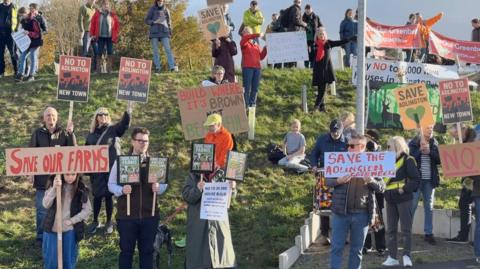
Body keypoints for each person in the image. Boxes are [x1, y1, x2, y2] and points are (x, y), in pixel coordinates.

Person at [108, 127, 168, 269]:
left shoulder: (155, 163)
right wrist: (122, 189)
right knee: (126, 253)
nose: (143, 144)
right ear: (132, 142)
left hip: (150, 216)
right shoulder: (121, 162)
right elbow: (110, 185)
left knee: (147, 253)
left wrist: (160, 188)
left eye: (146, 141)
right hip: (127, 217)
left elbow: (164, 184)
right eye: (140, 140)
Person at [326, 133, 385, 269]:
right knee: (336, 248)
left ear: (362, 146)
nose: (349, 148)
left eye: (352, 146)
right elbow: (327, 181)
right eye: (348, 145)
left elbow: (382, 187)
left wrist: (370, 180)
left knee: (357, 250)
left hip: (362, 214)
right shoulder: (339, 159)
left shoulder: (372, 162)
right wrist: (338, 181)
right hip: (341, 213)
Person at [29, 107, 76, 245]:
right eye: (48, 116)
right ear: (44, 118)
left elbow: (73, 150)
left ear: (57, 117)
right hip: (42, 180)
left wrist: (72, 134)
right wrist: (31, 172)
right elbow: (31, 153)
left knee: (61, 208)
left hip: (60, 180)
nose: (51, 118)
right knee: (41, 209)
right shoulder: (37, 133)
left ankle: (57, 233)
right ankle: (41, 236)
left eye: (53, 115)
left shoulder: (64, 133)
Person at [85, 105, 131, 235]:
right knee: (97, 196)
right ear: (96, 117)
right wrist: (88, 171)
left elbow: (124, 125)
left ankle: (109, 221)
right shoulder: (91, 134)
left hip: (110, 170)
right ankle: (95, 221)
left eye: (105, 114)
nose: (103, 116)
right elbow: (86, 153)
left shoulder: (113, 130)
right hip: (97, 172)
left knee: (109, 196)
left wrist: (128, 113)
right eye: (100, 114)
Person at [381, 136, 420, 267]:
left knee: (406, 229)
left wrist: (403, 190)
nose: (387, 149)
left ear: (397, 146)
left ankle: (406, 256)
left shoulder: (408, 160)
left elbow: (415, 180)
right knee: (391, 229)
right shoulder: (387, 161)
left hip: (403, 198)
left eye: (389, 146)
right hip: (390, 198)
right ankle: (392, 256)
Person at [310, 119, 348, 246]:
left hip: (343, 178)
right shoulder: (322, 140)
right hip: (325, 177)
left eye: (337, 132)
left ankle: (343, 236)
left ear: (342, 131)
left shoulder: (348, 142)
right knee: (324, 205)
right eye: (333, 132)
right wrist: (314, 165)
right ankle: (324, 235)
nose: (335, 134)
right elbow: (314, 154)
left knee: (343, 206)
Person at [42, 173, 92, 269]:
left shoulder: (80, 188)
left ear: (77, 174)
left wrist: (72, 220)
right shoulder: (53, 184)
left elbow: (87, 210)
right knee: (51, 261)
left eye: (73, 174)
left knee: (68, 261)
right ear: (62, 174)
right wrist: (54, 189)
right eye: (67, 174)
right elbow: (45, 204)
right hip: (52, 228)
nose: (70, 177)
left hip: (69, 230)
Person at [409, 124, 441, 245]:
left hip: (429, 181)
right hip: (416, 180)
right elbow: (409, 159)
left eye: (432, 128)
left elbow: (439, 159)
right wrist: (420, 151)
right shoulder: (414, 142)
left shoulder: (434, 142)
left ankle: (428, 233)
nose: (431, 129)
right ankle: (408, 232)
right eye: (428, 127)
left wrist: (430, 152)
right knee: (412, 206)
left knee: (429, 206)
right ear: (422, 129)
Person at [447, 124, 478, 243]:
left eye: (455, 134)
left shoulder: (475, 137)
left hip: (476, 179)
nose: (454, 137)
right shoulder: (464, 139)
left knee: (470, 204)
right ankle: (463, 235)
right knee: (464, 203)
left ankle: (470, 237)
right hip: (469, 179)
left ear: (462, 130)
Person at [311, 27, 351, 112]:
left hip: (326, 70)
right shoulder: (315, 45)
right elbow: (311, 57)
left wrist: (350, 39)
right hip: (318, 70)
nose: (321, 36)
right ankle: (320, 107)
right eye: (319, 34)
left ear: (325, 35)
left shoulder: (328, 43)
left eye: (322, 34)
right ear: (317, 36)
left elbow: (339, 42)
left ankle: (319, 107)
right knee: (320, 90)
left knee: (322, 90)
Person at [362, 130, 387, 256]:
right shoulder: (362, 152)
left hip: (377, 191)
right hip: (364, 192)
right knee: (364, 218)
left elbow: (385, 173)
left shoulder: (383, 154)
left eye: (368, 138)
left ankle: (381, 246)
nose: (366, 141)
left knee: (378, 219)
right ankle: (366, 245)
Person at [145, 0, 177, 73]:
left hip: (164, 32)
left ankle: (172, 67)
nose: (160, 2)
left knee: (168, 49)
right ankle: (157, 67)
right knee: (155, 51)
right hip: (154, 32)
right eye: (158, 1)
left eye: (161, 1)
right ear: (156, 1)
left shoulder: (166, 9)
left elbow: (169, 22)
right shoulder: (152, 9)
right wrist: (153, 22)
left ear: (163, 1)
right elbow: (146, 20)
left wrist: (170, 31)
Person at [90, 0, 120, 74]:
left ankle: (109, 70)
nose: (106, 6)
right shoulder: (97, 14)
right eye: (104, 5)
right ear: (102, 6)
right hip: (100, 37)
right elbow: (92, 24)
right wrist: (92, 34)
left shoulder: (112, 15)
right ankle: (98, 70)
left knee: (110, 52)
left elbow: (117, 26)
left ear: (108, 6)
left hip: (109, 37)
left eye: (107, 5)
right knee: (99, 53)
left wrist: (115, 35)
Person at [240, 26, 267, 108]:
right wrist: (258, 34)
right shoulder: (243, 42)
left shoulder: (256, 44)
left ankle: (252, 104)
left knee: (255, 88)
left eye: (248, 31)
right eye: (245, 31)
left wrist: (266, 48)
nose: (246, 33)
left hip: (257, 68)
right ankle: (246, 105)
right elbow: (246, 38)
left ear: (251, 33)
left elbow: (261, 57)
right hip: (247, 68)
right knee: (247, 87)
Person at [15, 5, 43, 82]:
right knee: (22, 56)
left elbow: (37, 33)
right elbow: (22, 30)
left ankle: (31, 75)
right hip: (27, 42)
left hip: (36, 41)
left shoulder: (34, 21)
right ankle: (20, 74)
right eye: (20, 15)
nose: (21, 17)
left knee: (33, 56)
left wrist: (29, 33)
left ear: (26, 13)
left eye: (21, 15)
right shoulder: (23, 21)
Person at [0, 0, 18, 78]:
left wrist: (16, 30)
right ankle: (1, 72)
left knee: (13, 53)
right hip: (0, 33)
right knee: (0, 54)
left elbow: (19, 20)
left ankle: (17, 71)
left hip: (11, 33)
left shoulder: (14, 7)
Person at [78, 0, 98, 70]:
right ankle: (82, 70)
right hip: (87, 32)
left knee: (97, 52)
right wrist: (82, 30)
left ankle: (95, 70)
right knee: (85, 52)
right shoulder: (83, 8)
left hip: (95, 33)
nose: (93, 1)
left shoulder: (95, 10)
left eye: (94, 0)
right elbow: (79, 20)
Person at [302, 4, 322, 68]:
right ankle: (306, 66)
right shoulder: (302, 18)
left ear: (311, 9)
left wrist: (320, 31)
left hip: (314, 38)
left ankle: (313, 66)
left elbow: (321, 26)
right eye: (306, 9)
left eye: (309, 9)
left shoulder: (316, 17)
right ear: (305, 10)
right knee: (305, 52)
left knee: (313, 52)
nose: (307, 10)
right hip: (305, 38)